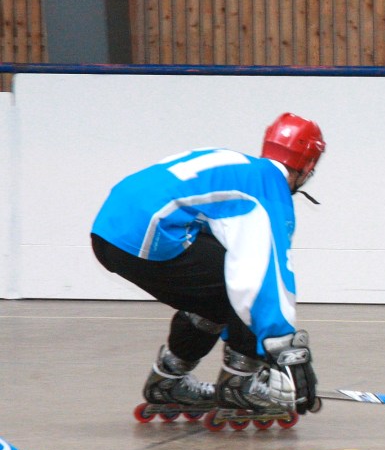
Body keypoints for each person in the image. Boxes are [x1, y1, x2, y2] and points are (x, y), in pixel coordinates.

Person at [90, 112, 326, 415]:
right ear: (307, 166)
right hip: (146, 231)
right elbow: (265, 274)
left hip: (110, 228)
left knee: (212, 292)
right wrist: (282, 348)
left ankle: (169, 378)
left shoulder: (237, 164)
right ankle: (239, 383)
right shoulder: (269, 191)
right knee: (243, 286)